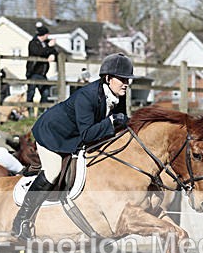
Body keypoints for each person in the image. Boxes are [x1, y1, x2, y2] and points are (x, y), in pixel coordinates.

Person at [11, 52, 133, 241]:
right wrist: (111, 121)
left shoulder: (118, 95)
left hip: (75, 137)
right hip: (52, 134)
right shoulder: (87, 96)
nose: (126, 83)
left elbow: (119, 125)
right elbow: (87, 134)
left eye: (128, 79)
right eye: (122, 79)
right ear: (108, 78)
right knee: (53, 171)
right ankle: (21, 220)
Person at [25, 23, 58, 113]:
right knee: (31, 93)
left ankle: (41, 112)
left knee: (45, 92)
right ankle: (29, 112)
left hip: (43, 74)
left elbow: (54, 52)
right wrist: (49, 47)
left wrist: (52, 54)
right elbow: (39, 52)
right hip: (34, 72)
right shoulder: (33, 43)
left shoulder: (45, 44)